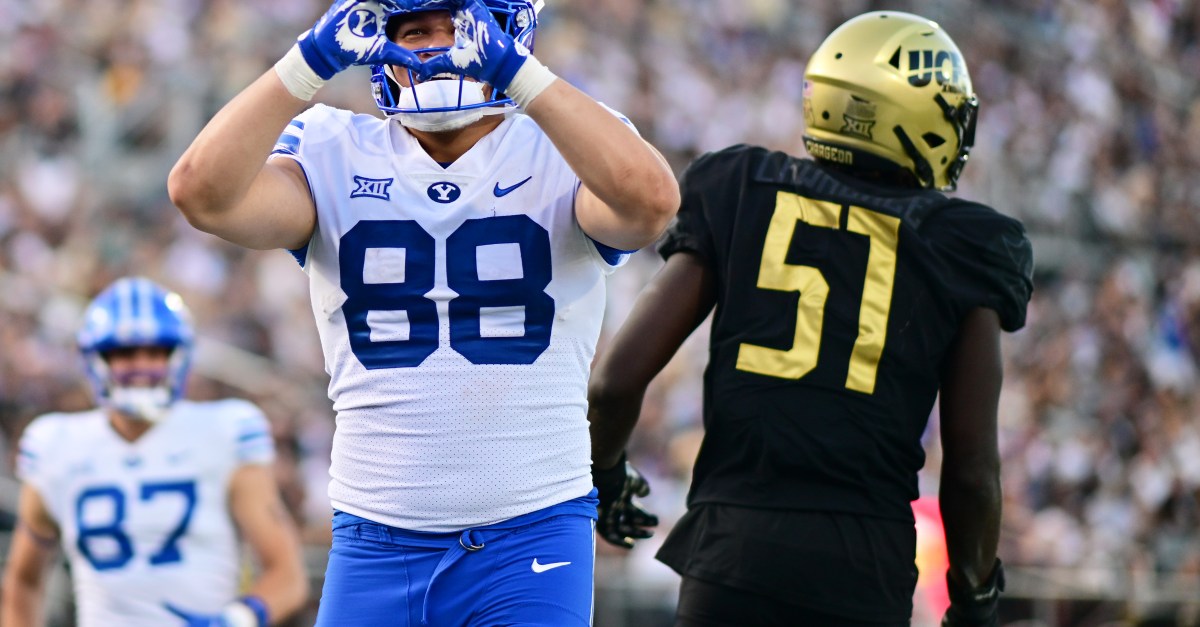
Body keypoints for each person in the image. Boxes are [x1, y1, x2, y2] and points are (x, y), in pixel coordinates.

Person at [167, 0, 679, 624]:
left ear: (506, 33)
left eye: (458, 28)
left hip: (534, 525)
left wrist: (521, 75)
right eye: (415, 31)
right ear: (380, 52)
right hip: (375, 535)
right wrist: (308, 61)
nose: (437, 48)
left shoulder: (563, 143)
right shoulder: (332, 146)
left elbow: (651, 205)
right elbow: (202, 195)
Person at [587, 10, 1033, 627]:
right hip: (861, 570)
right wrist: (976, 599)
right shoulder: (967, 243)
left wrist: (607, 474)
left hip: (731, 553)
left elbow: (614, 382)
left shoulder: (741, 186)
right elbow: (973, 469)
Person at [0, 277, 309, 627]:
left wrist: (235, 619)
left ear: (179, 356)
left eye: (155, 352)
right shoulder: (56, 444)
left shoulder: (224, 432)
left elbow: (287, 575)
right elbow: (24, 582)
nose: (141, 366)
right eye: (124, 353)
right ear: (96, 360)